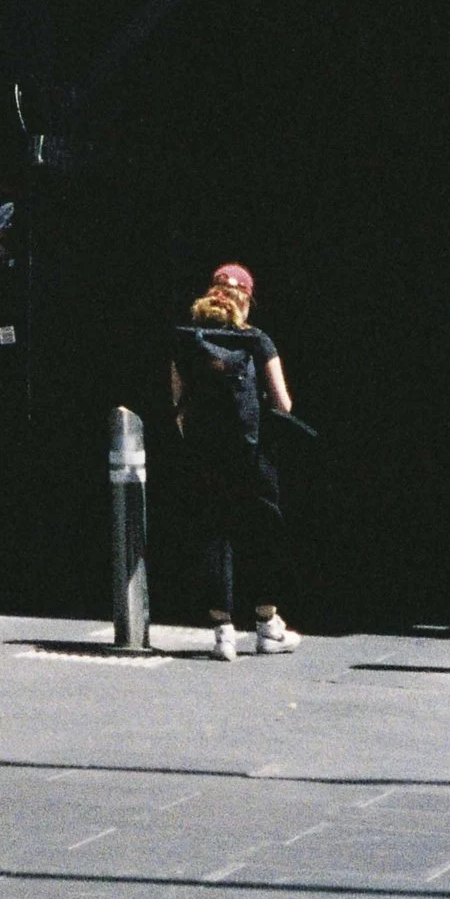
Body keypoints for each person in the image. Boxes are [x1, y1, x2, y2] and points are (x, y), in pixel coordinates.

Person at [170, 261, 299, 660]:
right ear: (246, 298)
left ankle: (222, 633)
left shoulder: (187, 341)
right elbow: (283, 403)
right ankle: (267, 626)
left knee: (215, 535)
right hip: (254, 454)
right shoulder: (257, 340)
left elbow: (179, 407)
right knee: (262, 534)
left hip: (207, 454)